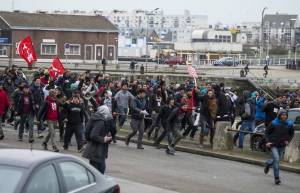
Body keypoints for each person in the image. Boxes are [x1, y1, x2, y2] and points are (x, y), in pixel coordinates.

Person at [264, 109, 294, 185]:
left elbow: (291, 134)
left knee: (277, 160)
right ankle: (277, 178)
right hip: (273, 144)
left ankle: (268, 163)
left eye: (285, 115)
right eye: (282, 115)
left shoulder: (289, 124)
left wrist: (288, 140)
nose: (284, 116)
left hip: (282, 145)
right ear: (279, 115)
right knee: (276, 159)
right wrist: (268, 142)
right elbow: (267, 133)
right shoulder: (274, 123)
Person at [82, 105, 113, 174]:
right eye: (108, 112)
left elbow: (87, 132)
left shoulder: (95, 118)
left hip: (95, 150)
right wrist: (104, 139)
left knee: (95, 171)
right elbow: (93, 135)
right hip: (98, 151)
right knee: (98, 172)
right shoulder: (100, 121)